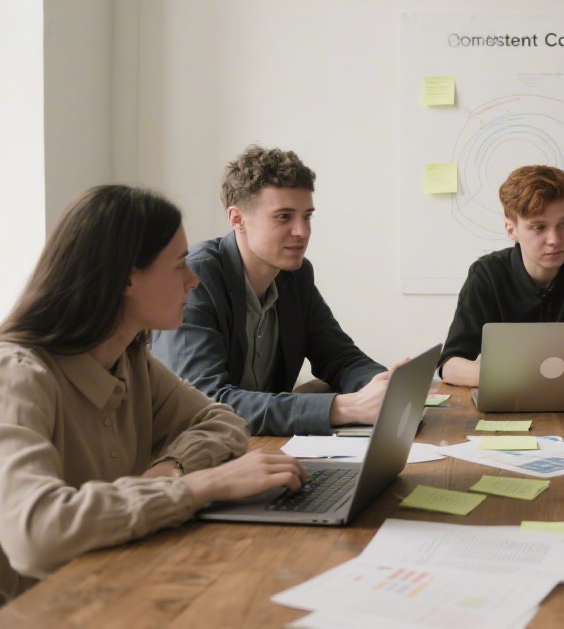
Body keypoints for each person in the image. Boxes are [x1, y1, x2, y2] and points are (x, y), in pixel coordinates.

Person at [0, 186, 307, 628]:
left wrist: (171, 470)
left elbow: (223, 421)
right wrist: (198, 486)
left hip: (86, 583)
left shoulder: (129, 358)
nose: (192, 280)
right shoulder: (11, 373)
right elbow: (36, 535)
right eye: (179, 265)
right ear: (125, 277)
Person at [152, 145, 393, 436]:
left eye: (307, 216)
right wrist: (343, 408)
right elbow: (205, 402)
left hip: (262, 448)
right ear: (237, 219)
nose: (302, 232)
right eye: (283, 217)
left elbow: (340, 358)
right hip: (191, 459)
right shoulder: (197, 277)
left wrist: (384, 386)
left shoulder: (296, 275)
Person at [439, 165, 564, 387]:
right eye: (539, 228)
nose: (555, 239)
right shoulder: (488, 274)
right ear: (511, 230)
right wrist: (515, 377)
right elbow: (449, 365)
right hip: (509, 399)